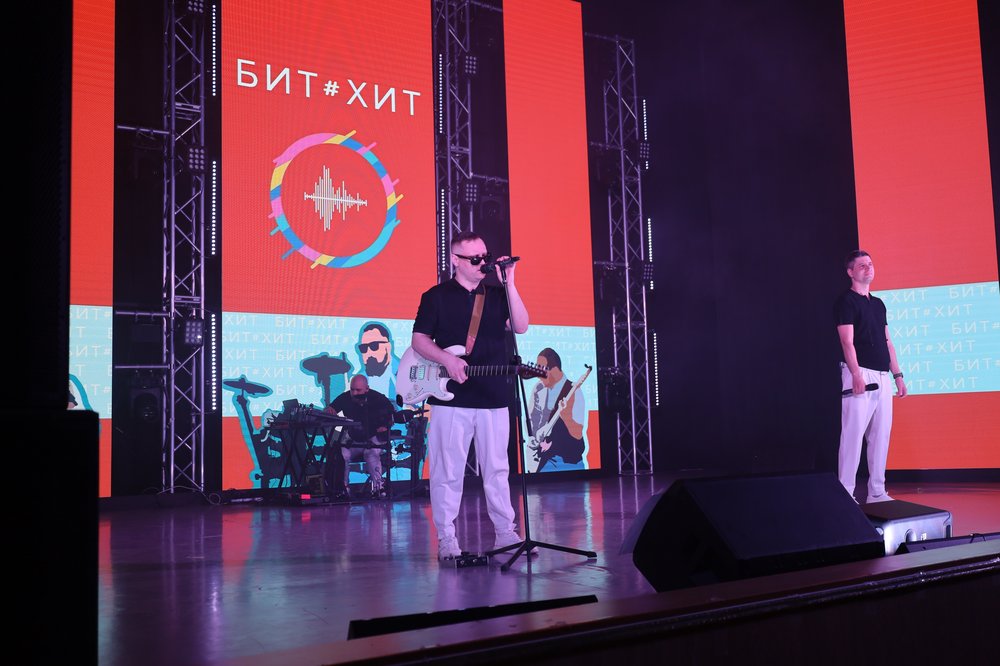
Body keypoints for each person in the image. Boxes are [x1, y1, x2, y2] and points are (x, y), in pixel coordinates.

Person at [411, 231, 529, 560]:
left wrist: (510, 282)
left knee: (497, 470)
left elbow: (521, 326)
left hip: (493, 395)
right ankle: (447, 538)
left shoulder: (497, 294)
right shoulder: (436, 296)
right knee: (448, 471)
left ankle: (505, 534)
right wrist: (447, 359)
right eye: (475, 259)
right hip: (451, 398)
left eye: (485, 257)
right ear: (456, 260)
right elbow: (419, 340)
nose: (482, 263)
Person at [835, 250, 907, 503]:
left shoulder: (878, 304)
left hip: (882, 375)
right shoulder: (846, 302)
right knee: (853, 436)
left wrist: (897, 375)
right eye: (862, 266)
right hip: (860, 373)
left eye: (870, 264)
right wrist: (856, 374)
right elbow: (847, 341)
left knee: (881, 435)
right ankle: (845, 493)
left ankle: (877, 491)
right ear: (850, 272)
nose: (868, 268)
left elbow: (887, 342)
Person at [328, 374, 396, 498]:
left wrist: (385, 426)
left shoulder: (379, 399)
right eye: (352, 389)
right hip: (354, 439)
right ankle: (343, 489)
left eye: (358, 390)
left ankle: (378, 488)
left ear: (367, 389)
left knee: (371, 453)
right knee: (342, 454)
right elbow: (330, 409)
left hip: (373, 438)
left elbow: (392, 417)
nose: (354, 393)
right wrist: (330, 411)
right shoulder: (345, 397)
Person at [527, 348, 587, 473]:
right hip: (543, 460)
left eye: (541, 369)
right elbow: (532, 419)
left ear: (554, 369)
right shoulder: (538, 389)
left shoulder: (574, 391)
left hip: (568, 462)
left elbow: (577, 433)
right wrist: (536, 440)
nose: (538, 374)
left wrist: (566, 417)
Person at [355, 321, 400, 400]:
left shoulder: (405, 373)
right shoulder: (358, 381)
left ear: (388, 347)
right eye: (363, 348)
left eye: (374, 346)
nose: (369, 352)